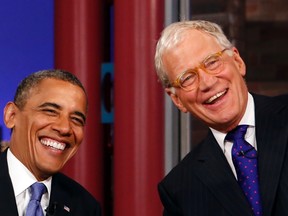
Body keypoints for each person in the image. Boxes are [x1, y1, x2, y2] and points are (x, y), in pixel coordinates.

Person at [154, 20, 288, 216]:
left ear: (238, 62)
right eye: (188, 78)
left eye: (212, 62)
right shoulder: (179, 189)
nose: (207, 82)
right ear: (177, 100)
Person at [0, 69, 101, 215]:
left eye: (76, 119)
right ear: (12, 115)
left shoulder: (86, 208)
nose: (65, 128)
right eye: (50, 111)